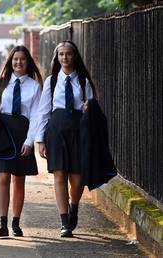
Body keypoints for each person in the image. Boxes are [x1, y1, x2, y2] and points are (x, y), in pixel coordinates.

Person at [35, 40, 97, 237]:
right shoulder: (51, 81)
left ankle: (74, 205)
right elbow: (43, 112)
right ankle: (64, 222)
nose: (65, 57)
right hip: (56, 130)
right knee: (60, 174)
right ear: (57, 57)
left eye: (68, 54)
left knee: (77, 181)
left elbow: (90, 108)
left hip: (78, 132)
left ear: (74, 56)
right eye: (61, 54)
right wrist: (40, 139)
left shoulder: (83, 81)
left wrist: (89, 108)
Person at [0, 45, 43, 238]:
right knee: (3, 177)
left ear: (28, 63)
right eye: (15, 59)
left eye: (22, 59)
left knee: (19, 179)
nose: (18, 62)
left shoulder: (35, 86)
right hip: (3, 132)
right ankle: (2, 224)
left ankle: (16, 222)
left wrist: (29, 141)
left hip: (22, 133)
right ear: (10, 62)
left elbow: (36, 115)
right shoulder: (1, 83)